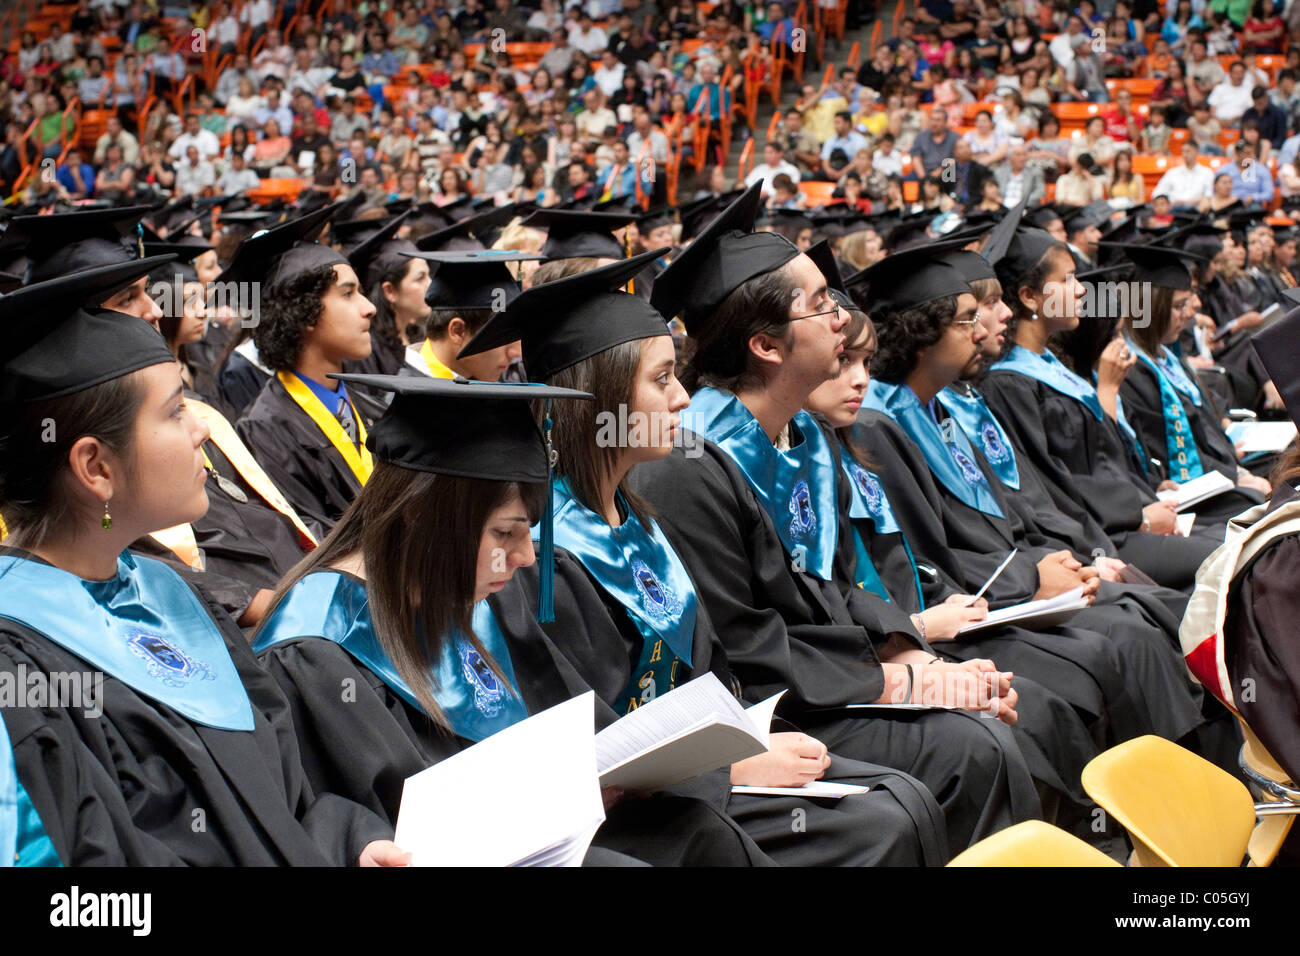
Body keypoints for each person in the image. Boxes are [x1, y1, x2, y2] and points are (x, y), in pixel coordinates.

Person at [451, 251, 949, 865]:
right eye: (661, 380)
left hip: (700, 770)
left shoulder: (639, 516)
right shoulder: (541, 560)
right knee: (880, 822)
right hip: (630, 815)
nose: (683, 399)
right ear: (599, 401)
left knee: (901, 798)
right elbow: (579, 738)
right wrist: (726, 765)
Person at [627, 182, 1042, 857]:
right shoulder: (689, 463)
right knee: (969, 748)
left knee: (987, 723)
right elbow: (742, 643)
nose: (843, 319)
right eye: (821, 306)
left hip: (820, 675)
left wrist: (905, 649)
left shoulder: (791, 439)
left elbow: (824, 586)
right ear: (766, 346)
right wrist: (896, 681)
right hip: (770, 705)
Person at [0, 260, 405, 867]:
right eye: (173, 411)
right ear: (96, 469)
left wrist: (352, 845)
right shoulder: (22, 680)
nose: (200, 432)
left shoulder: (175, 595)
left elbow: (289, 801)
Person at [234, 204, 378, 538]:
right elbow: (306, 544)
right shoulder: (265, 433)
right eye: (348, 294)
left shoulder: (372, 407)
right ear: (305, 313)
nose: (369, 308)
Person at [1118, 243, 1274, 499]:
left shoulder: (1165, 357)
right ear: (1152, 309)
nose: (1190, 314)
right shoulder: (1134, 371)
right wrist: (1237, 476)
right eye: (1179, 306)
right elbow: (1172, 453)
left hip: (1220, 468)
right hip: (1194, 486)